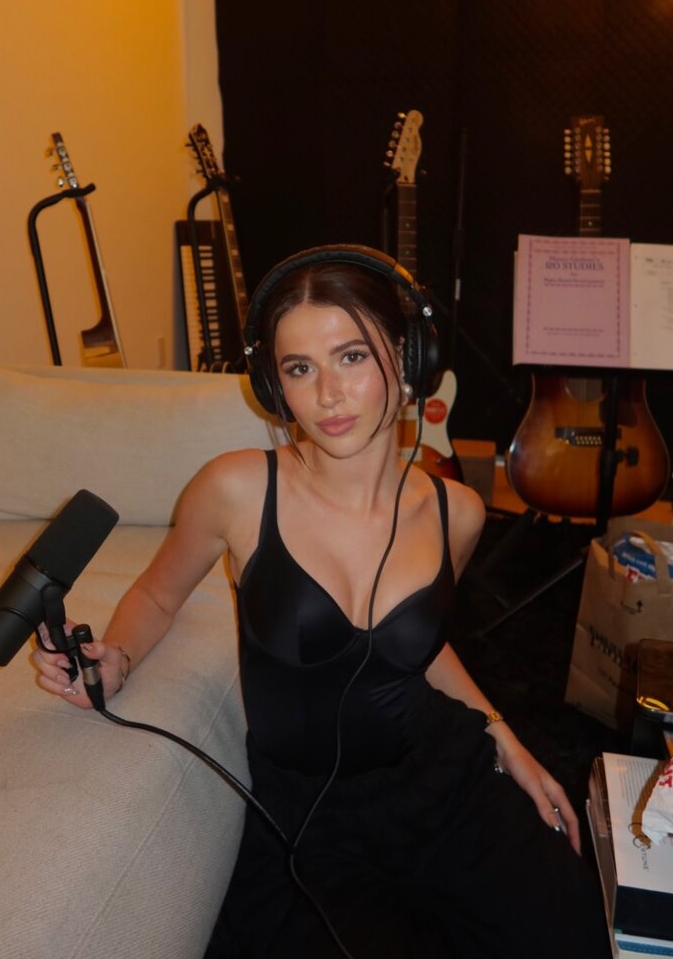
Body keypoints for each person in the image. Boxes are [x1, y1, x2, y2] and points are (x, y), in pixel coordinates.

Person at [32, 246, 610, 958]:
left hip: (442, 783)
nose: (328, 395)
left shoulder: (456, 511)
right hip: (311, 819)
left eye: (351, 357)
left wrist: (507, 740)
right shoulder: (236, 489)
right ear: (274, 386)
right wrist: (116, 658)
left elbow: (418, 653)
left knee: (574, 933)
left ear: (409, 358)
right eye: (300, 369)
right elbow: (156, 593)